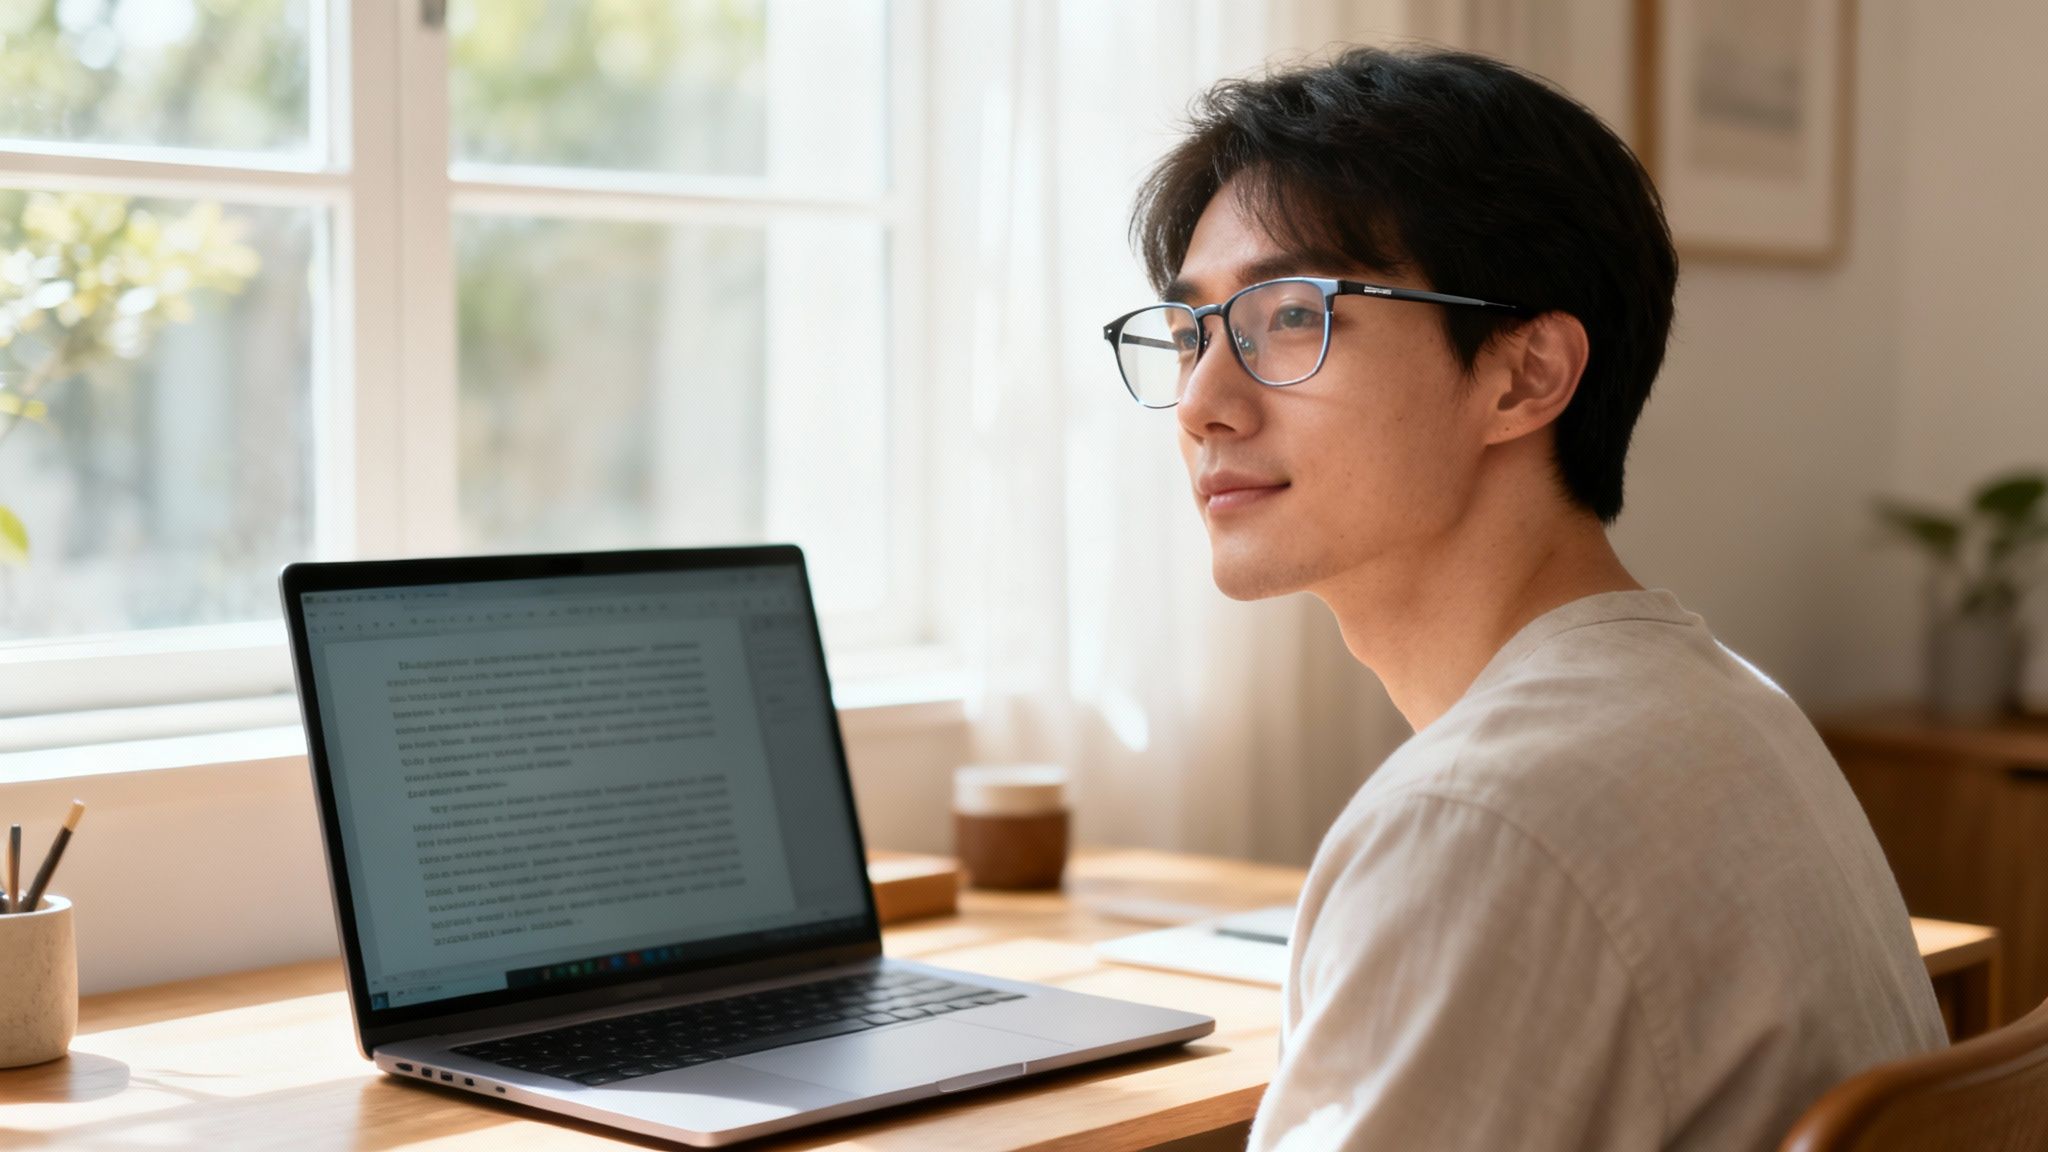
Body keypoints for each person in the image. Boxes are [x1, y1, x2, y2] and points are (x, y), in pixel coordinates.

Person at [1105, 46, 1946, 1151]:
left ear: (1523, 375)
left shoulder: (1471, 823)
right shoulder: (1726, 705)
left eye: (1289, 316)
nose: (1203, 402)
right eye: (1187, 334)